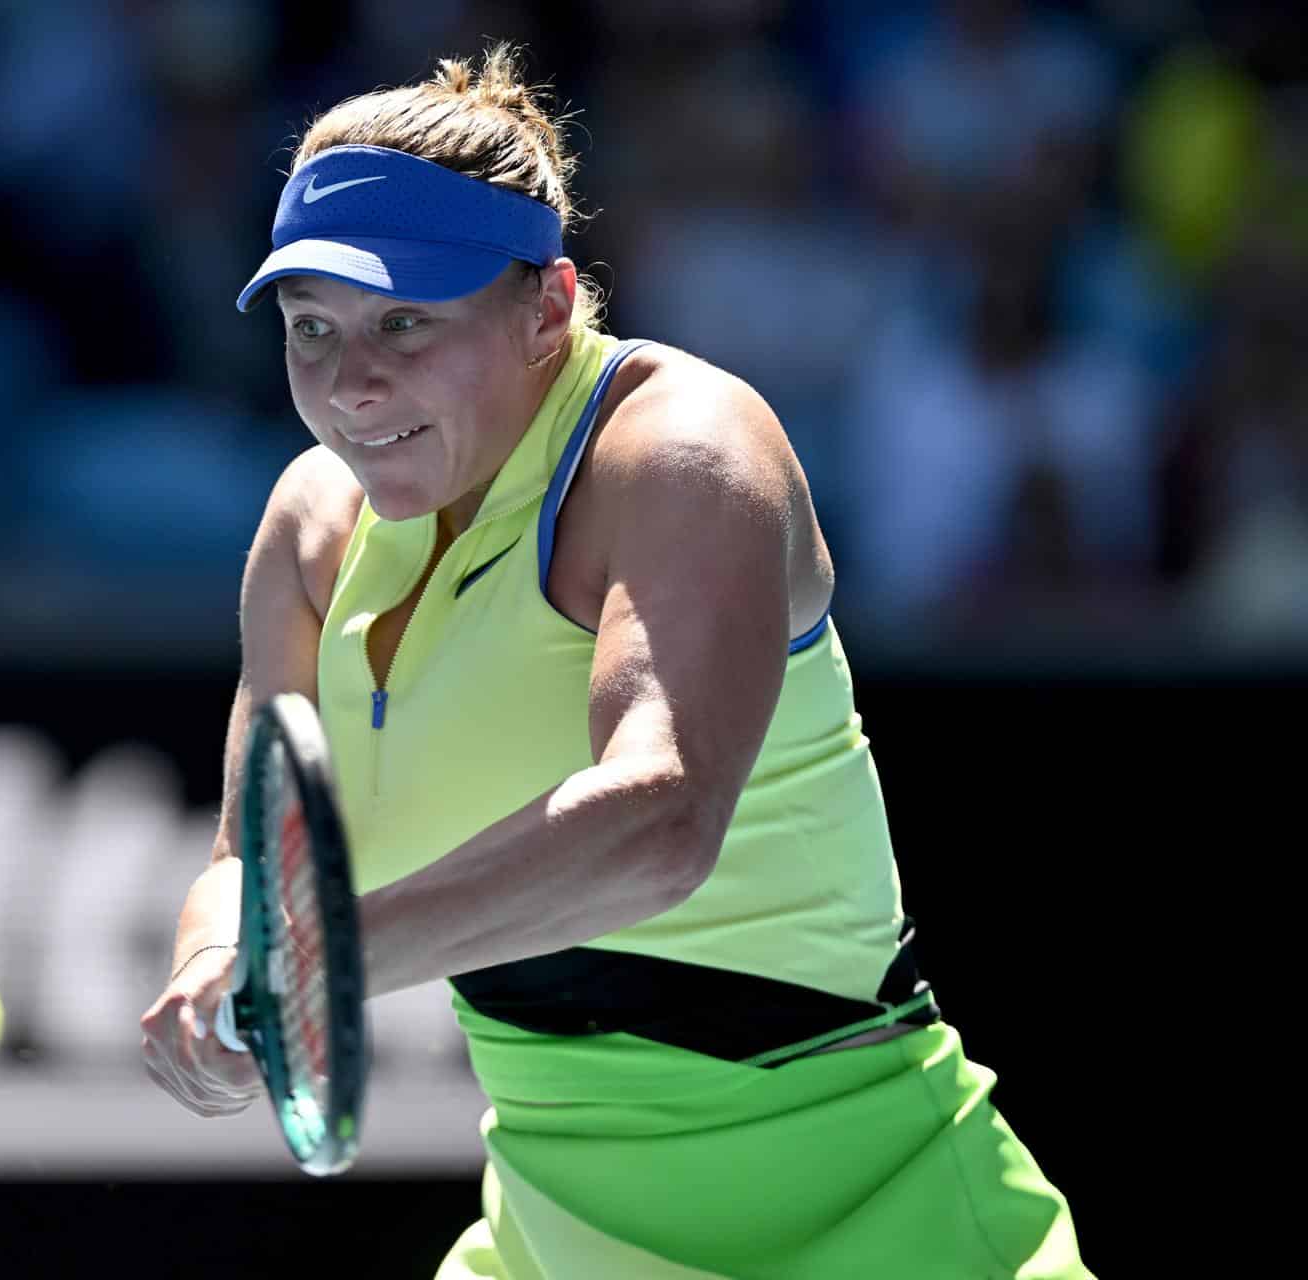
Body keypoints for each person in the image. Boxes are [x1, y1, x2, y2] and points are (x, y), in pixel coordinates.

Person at [140, 46, 1092, 1280]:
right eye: (309, 327)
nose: (349, 381)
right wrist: (215, 958)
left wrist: (325, 963)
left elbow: (662, 819)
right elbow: (247, 857)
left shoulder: (685, 448)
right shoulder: (314, 530)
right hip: (555, 1235)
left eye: (405, 322)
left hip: (877, 1224)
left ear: (547, 303)